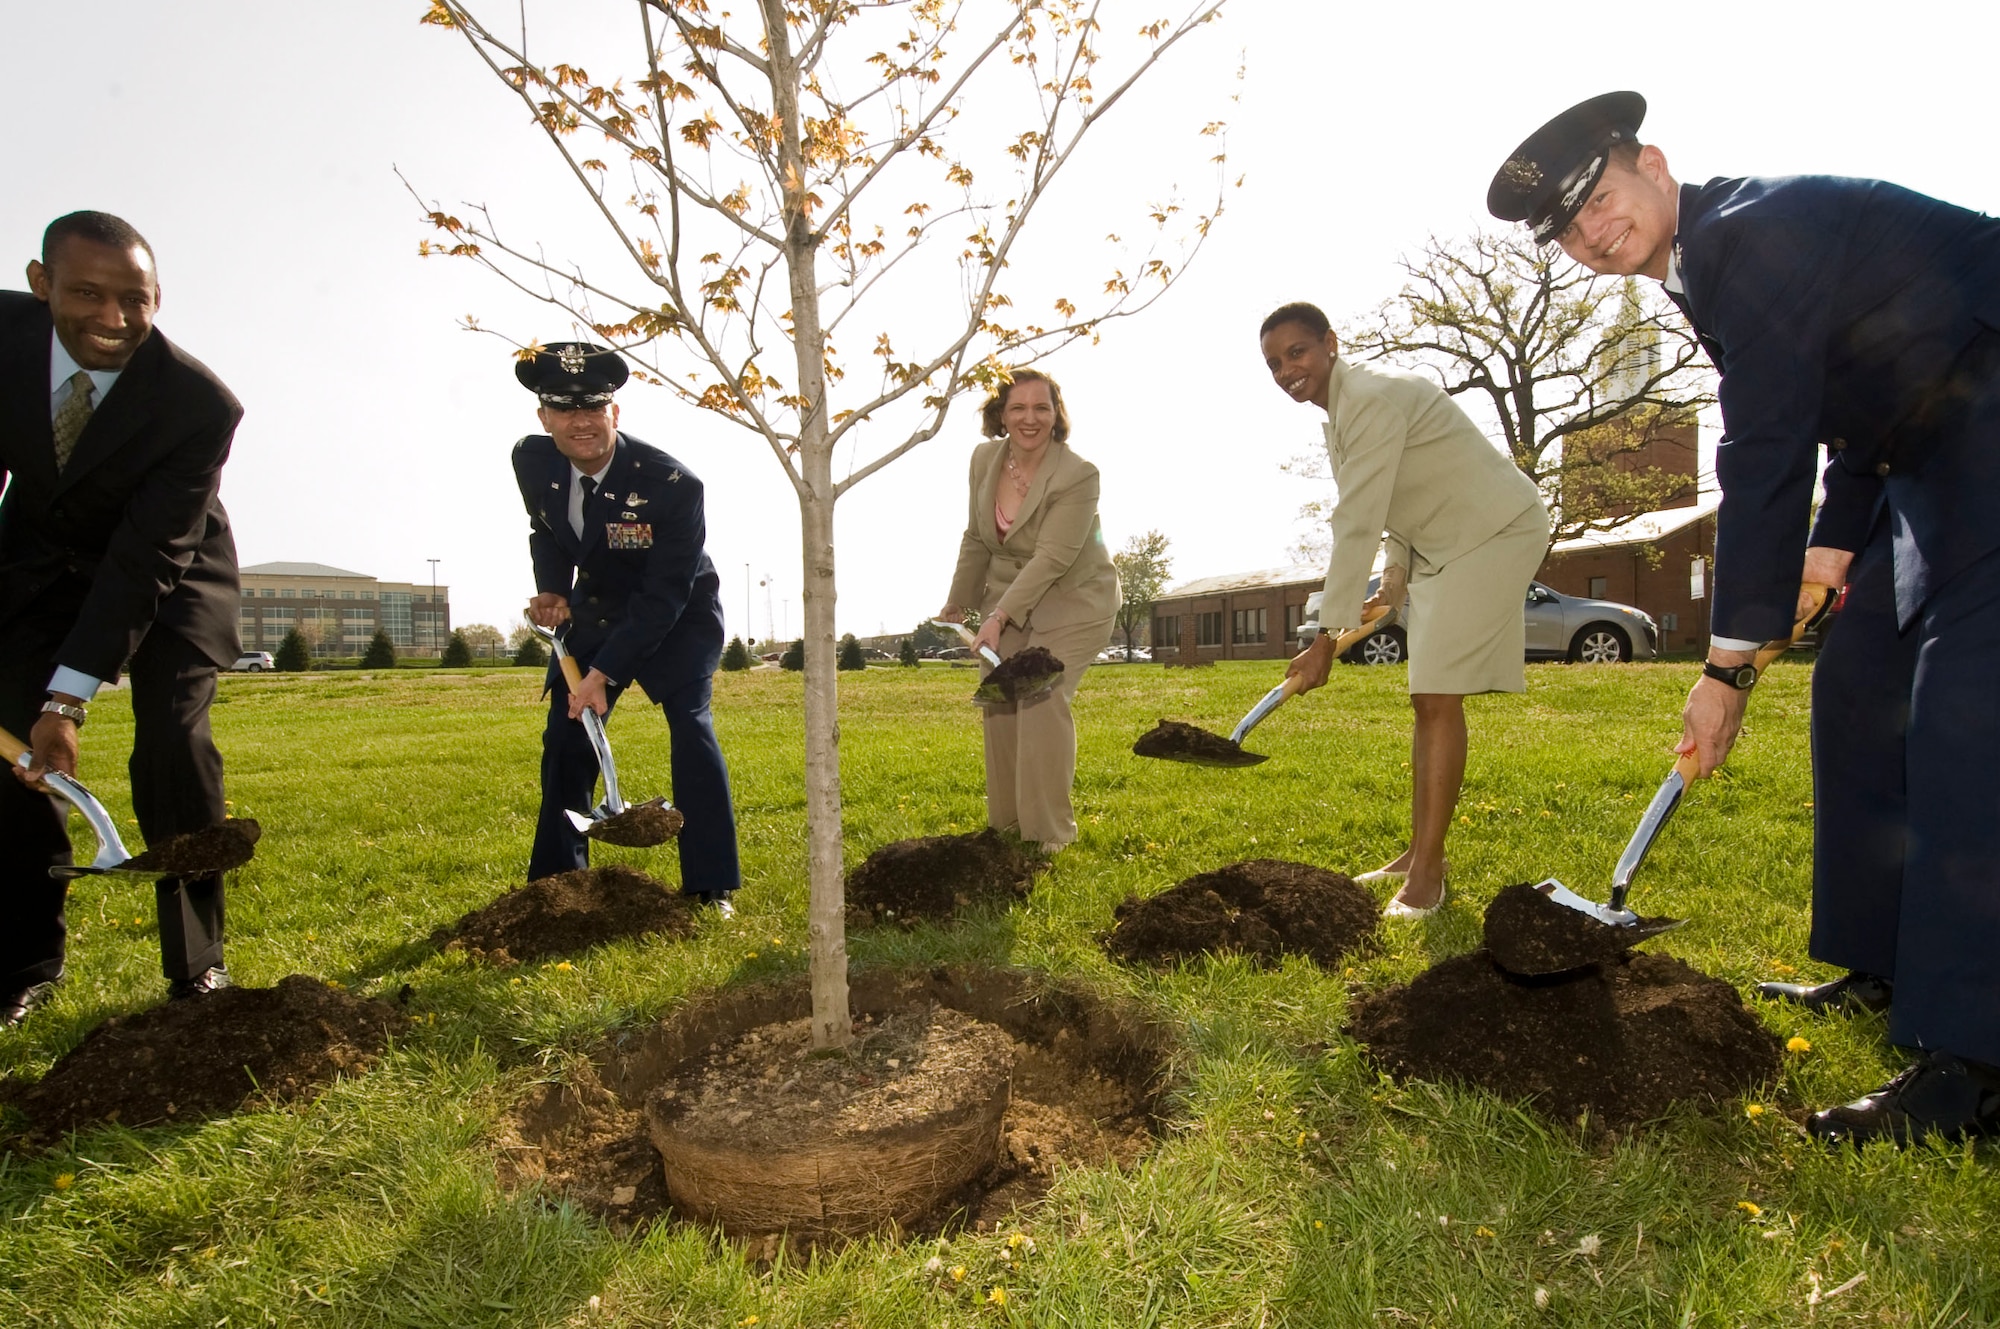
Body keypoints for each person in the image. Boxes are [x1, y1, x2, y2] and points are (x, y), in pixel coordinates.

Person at [1488, 91, 2000, 1144]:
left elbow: (1763, 444)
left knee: (1963, 714)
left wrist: (1723, 666)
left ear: (1655, 167)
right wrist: (1830, 540)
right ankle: (1884, 962)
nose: (1590, 232)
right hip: (1930, 454)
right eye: (1567, 227)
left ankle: (1977, 1070)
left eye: (1598, 197)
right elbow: (1867, 395)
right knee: (1859, 683)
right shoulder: (1704, 266)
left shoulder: (1746, 234)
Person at [1, 211, 245, 1025]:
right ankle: (26, 964)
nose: (113, 319)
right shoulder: (3, 338)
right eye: (88, 294)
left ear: (157, 299)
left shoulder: (196, 405)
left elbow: (144, 562)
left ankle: (197, 967)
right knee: (5, 750)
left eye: (134, 301)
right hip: (38, 562)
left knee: (173, 742)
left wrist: (66, 701)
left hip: (171, 574)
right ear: (42, 287)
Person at [1264, 303, 1550, 918]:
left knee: (1438, 694)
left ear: (1330, 344)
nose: (1287, 370)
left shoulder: (1370, 398)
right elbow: (1394, 504)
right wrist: (1393, 585)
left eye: (1297, 353)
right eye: (1274, 364)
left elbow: (1357, 520)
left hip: (1493, 531)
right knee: (1428, 696)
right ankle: (1419, 853)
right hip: (1447, 542)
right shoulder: (1342, 414)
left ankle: (1427, 874)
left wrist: (1323, 637)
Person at [511, 342, 740, 910]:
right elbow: (545, 529)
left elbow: (664, 595)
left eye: (594, 407)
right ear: (545, 418)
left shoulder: (672, 484)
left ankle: (711, 887)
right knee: (566, 736)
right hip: (595, 608)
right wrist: (553, 589)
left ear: (616, 413)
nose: (580, 421)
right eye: (565, 409)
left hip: (678, 613)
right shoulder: (531, 460)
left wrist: (605, 673)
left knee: (691, 729)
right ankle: (557, 884)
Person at [940, 369, 1119, 850]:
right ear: (1000, 414)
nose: (1030, 418)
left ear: (1057, 415)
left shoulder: (1078, 474)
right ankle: (1007, 830)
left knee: (1040, 693)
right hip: (1008, 594)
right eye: (1018, 408)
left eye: (1042, 407)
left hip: (1075, 597)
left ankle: (1050, 836)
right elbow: (977, 536)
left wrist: (997, 619)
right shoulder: (984, 460)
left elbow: (1052, 558)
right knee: (1000, 697)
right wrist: (961, 599)